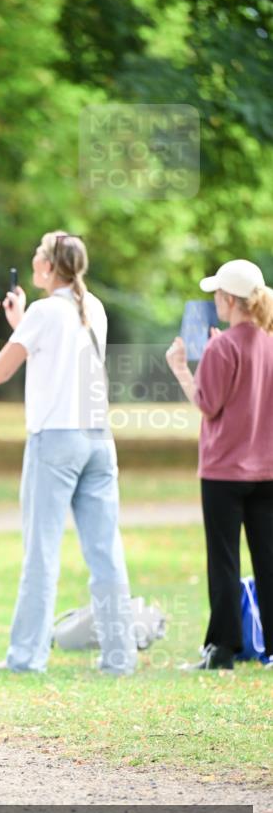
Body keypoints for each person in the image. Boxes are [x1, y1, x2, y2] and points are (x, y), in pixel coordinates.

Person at [0, 231, 136, 676]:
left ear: (48, 267)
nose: (34, 260)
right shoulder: (91, 307)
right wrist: (21, 321)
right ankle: (119, 657)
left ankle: (25, 658)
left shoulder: (43, 312)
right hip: (99, 438)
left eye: (38, 255)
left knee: (41, 550)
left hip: (55, 439)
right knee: (105, 550)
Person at [166, 259, 273, 670]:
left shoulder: (221, 346)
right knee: (267, 558)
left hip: (225, 472)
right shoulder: (267, 341)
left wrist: (180, 368)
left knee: (225, 559)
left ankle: (222, 650)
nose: (215, 301)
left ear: (229, 299)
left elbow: (208, 405)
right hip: (266, 470)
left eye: (217, 295)